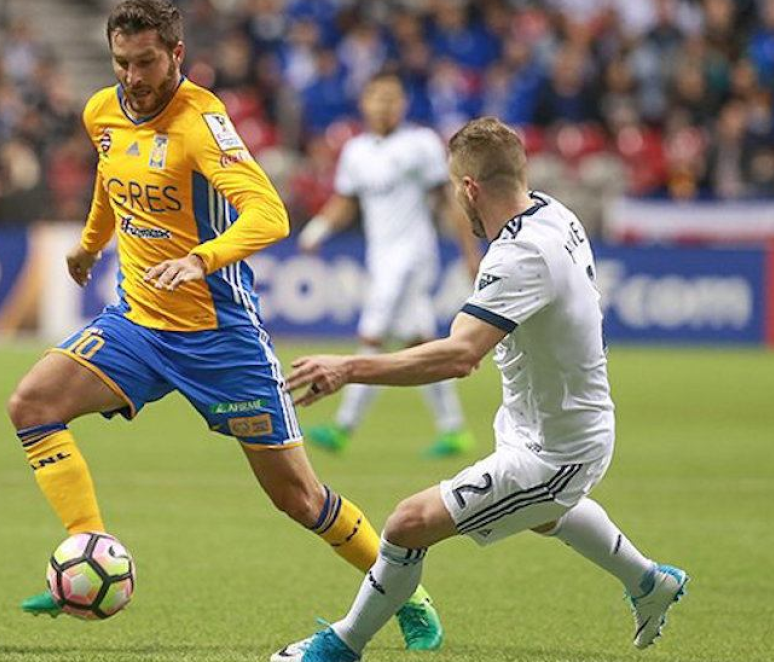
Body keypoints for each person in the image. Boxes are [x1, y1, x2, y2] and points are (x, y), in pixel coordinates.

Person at [5, 0, 444, 649]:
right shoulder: (101, 110)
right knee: (31, 403)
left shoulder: (202, 121)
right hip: (138, 325)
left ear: (177, 55)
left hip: (220, 339)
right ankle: (86, 547)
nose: (132, 76)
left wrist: (199, 258)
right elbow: (110, 178)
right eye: (122, 62)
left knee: (299, 498)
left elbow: (270, 214)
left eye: (147, 61)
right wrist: (90, 244)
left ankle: (406, 592)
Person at [273, 117, 689, 662]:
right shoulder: (552, 211)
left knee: (407, 524)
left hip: (556, 450)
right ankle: (649, 582)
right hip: (543, 427)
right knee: (546, 515)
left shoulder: (521, 255)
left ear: (468, 188)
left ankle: (341, 645)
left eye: (453, 188)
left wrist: (349, 368)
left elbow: (460, 354)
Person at [298, 72, 482, 458]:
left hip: (413, 255)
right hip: (380, 256)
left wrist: (469, 252)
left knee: (373, 333)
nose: (384, 105)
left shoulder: (420, 145)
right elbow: (346, 201)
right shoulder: (356, 151)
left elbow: (449, 201)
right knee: (418, 341)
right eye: (377, 97)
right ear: (364, 102)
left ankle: (343, 427)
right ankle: (453, 430)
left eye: (392, 98)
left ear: (404, 103)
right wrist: (317, 229)